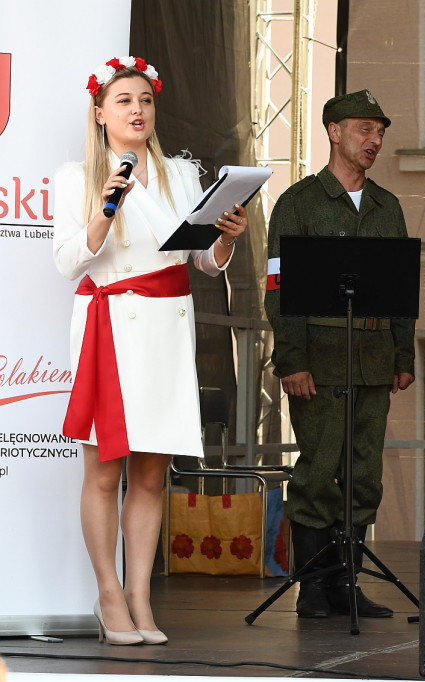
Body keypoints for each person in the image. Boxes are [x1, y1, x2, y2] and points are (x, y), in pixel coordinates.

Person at [54, 56, 246, 645]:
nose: (138, 111)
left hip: (166, 329)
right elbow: (68, 263)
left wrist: (225, 242)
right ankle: (109, 594)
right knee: (104, 472)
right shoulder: (76, 176)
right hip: (111, 326)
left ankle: (140, 597)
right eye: (124, 101)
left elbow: (202, 263)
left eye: (145, 100)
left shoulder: (183, 175)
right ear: (101, 114)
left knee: (150, 476)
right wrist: (102, 213)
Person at [264, 90, 415, 619]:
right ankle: (314, 589)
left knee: (363, 475)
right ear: (333, 131)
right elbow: (279, 288)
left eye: (380, 132)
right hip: (319, 361)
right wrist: (291, 360)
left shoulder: (387, 207)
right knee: (318, 470)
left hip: (373, 361)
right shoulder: (299, 203)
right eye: (363, 129)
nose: (374, 141)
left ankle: (347, 584)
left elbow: (401, 291)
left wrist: (403, 355)